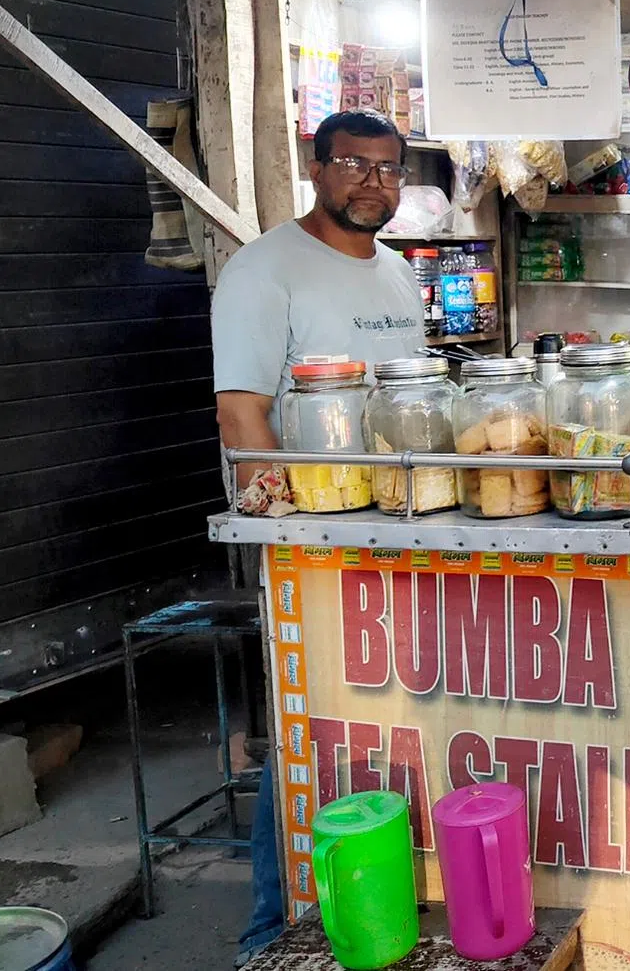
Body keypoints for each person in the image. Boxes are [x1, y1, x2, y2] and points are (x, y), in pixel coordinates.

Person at [210, 109, 426, 965]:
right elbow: (241, 411)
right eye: (354, 166)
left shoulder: (400, 275)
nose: (373, 184)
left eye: (387, 169)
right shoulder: (264, 272)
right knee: (307, 724)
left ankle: (375, 894)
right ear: (317, 167)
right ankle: (269, 928)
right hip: (314, 542)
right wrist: (289, 532)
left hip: (400, 530)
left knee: (380, 718)